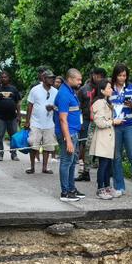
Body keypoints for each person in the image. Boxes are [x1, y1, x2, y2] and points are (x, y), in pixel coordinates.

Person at [108, 64, 132, 197]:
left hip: (129, 124)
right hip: (115, 126)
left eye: (124, 75)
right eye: (119, 75)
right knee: (116, 156)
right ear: (115, 75)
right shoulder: (109, 88)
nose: (122, 78)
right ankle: (119, 187)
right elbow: (105, 105)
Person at [55, 68, 84, 201]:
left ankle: (71, 188)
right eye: (78, 79)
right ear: (70, 79)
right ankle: (65, 192)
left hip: (73, 131)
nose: (80, 82)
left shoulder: (71, 91)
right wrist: (68, 140)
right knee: (66, 162)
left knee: (72, 162)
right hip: (68, 133)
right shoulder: (64, 94)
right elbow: (62, 119)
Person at [75, 67, 106, 182]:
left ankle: (103, 172)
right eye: (96, 75)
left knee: (101, 144)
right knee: (85, 145)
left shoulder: (105, 88)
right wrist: (80, 122)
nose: (98, 78)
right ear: (92, 75)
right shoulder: (83, 89)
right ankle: (84, 171)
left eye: (101, 76)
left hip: (101, 120)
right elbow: (77, 107)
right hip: (87, 120)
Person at [25, 68, 57, 175]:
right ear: (43, 78)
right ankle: (32, 166)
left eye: (53, 78)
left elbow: (58, 106)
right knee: (33, 145)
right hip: (36, 122)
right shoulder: (35, 89)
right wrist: (27, 121)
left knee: (48, 146)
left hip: (49, 123)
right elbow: (30, 105)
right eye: (49, 78)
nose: (52, 80)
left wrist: (53, 107)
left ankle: (45, 167)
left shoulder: (55, 91)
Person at [89, 79, 117, 200]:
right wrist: (113, 122)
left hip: (108, 137)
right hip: (102, 137)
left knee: (108, 164)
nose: (111, 90)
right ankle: (101, 189)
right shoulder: (99, 103)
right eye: (109, 88)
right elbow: (99, 122)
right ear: (102, 90)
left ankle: (107, 187)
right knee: (103, 165)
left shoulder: (106, 102)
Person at [0, 71, 21, 161]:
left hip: (12, 117)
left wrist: (18, 115)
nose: (4, 79)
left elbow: (18, 103)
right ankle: (0, 153)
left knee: (14, 137)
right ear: (0, 79)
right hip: (0, 117)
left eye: (5, 77)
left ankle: (14, 154)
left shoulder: (13, 89)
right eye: (2, 77)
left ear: (8, 78)